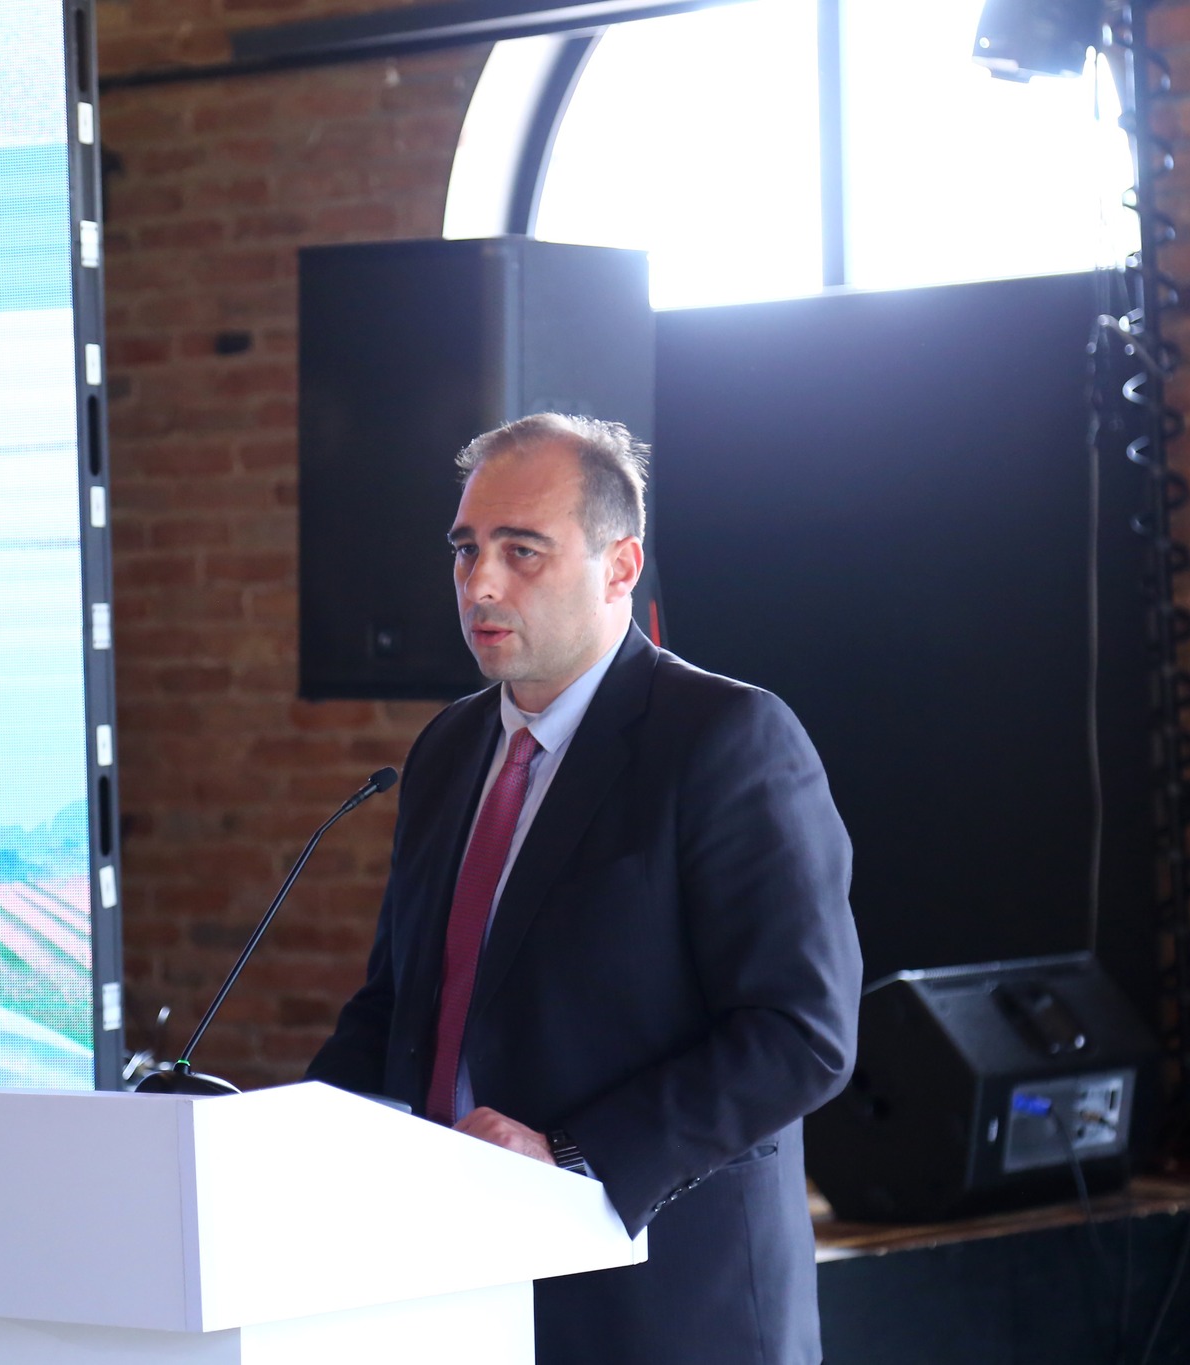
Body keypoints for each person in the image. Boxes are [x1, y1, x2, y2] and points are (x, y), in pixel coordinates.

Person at [306, 413, 862, 1365]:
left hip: (662, 1306)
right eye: (466, 549)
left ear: (620, 565)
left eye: (522, 551)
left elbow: (800, 1032)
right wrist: (288, 1137)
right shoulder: (447, 749)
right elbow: (402, 1004)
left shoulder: (725, 737)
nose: (481, 583)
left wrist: (569, 1154)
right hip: (450, 1289)